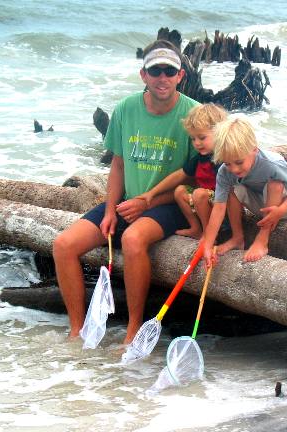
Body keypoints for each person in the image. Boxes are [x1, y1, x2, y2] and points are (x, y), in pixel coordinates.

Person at [53, 39, 199, 345]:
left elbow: (196, 182)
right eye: (155, 70)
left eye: (169, 71)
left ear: (180, 76)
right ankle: (77, 329)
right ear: (143, 74)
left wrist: (147, 202)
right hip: (127, 202)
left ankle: (133, 330)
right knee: (64, 244)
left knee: (133, 240)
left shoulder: (194, 116)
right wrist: (109, 210)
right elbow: (118, 165)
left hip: (170, 204)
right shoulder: (125, 109)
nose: (162, 77)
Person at [203, 116, 287, 265]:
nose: (234, 169)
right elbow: (219, 207)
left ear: (254, 150)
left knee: (275, 183)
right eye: (228, 163)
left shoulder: (271, 163)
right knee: (232, 188)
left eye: (239, 162)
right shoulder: (225, 172)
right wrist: (207, 245)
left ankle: (262, 239)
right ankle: (237, 237)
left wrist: (281, 209)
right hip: (263, 205)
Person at [138, 103, 241, 241]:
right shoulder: (200, 158)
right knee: (180, 190)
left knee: (199, 193)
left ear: (219, 133)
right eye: (193, 139)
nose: (197, 143)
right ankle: (196, 228)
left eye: (202, 137)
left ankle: (209, 234)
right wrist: (151, 193)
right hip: (205, 203)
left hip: (224, 207)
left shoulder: (225, 158)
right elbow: (179, 175)